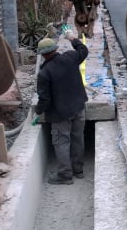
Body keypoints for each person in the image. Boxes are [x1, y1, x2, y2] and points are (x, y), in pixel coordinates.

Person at [34, 29, 89, 185]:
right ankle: (78, 170)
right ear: (56, 48)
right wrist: (72, 38)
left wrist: (38, 111)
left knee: (62, 142)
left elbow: (44, 99)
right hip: (78, 107)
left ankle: (65, 175)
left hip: (60, 114)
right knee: (77, 137)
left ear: (43, 55)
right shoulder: (70, 57)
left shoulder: (44, 73)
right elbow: (83, 50)